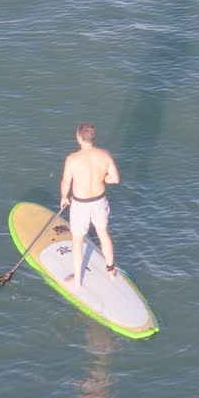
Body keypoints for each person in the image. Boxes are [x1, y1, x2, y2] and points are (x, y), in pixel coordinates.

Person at [59, 122, 120, 289]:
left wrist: (64, 197)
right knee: (103, 234)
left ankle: (77, 281)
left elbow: (66, 181)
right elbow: (114, 179)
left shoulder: (72, 159)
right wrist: (102, 179)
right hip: (100, 201)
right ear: (93, 138)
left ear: (79, 138)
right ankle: (111, 271)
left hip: (81, 204)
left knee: (77, 240)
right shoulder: (105, 155)